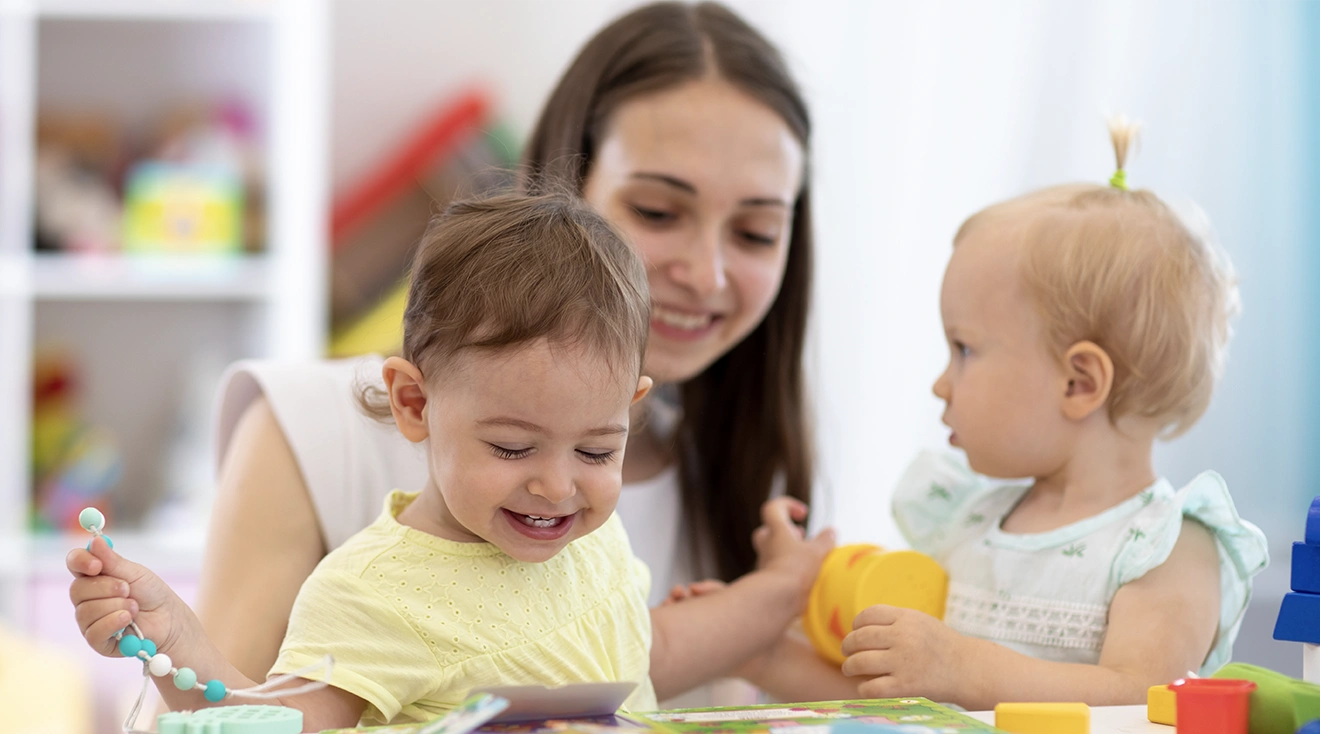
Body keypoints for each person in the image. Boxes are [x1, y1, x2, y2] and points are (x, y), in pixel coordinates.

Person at [201, 1, 819, 698]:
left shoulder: (749, 480)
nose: (706, 273)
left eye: (757, 233)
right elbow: (221, 714)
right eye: (657, 212)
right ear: (563, 192)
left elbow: (653, 658)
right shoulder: (310, 430)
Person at [68, 193, 834, 729]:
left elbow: (652, 646)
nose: (557, 485)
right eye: (511, 447)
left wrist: (784, 584)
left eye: (598, 448)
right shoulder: (374, 593)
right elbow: (283, 723)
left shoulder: (593, 538)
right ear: (414, 405)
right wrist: (176, 646)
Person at [741, 120, 1269, 709]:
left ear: (1079, 382)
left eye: (964, 349)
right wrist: (762, 651)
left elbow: (1140, 697)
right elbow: (902, 698)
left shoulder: (1162, 545)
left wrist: (967, 668)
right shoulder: (968, 521)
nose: (941, 383)